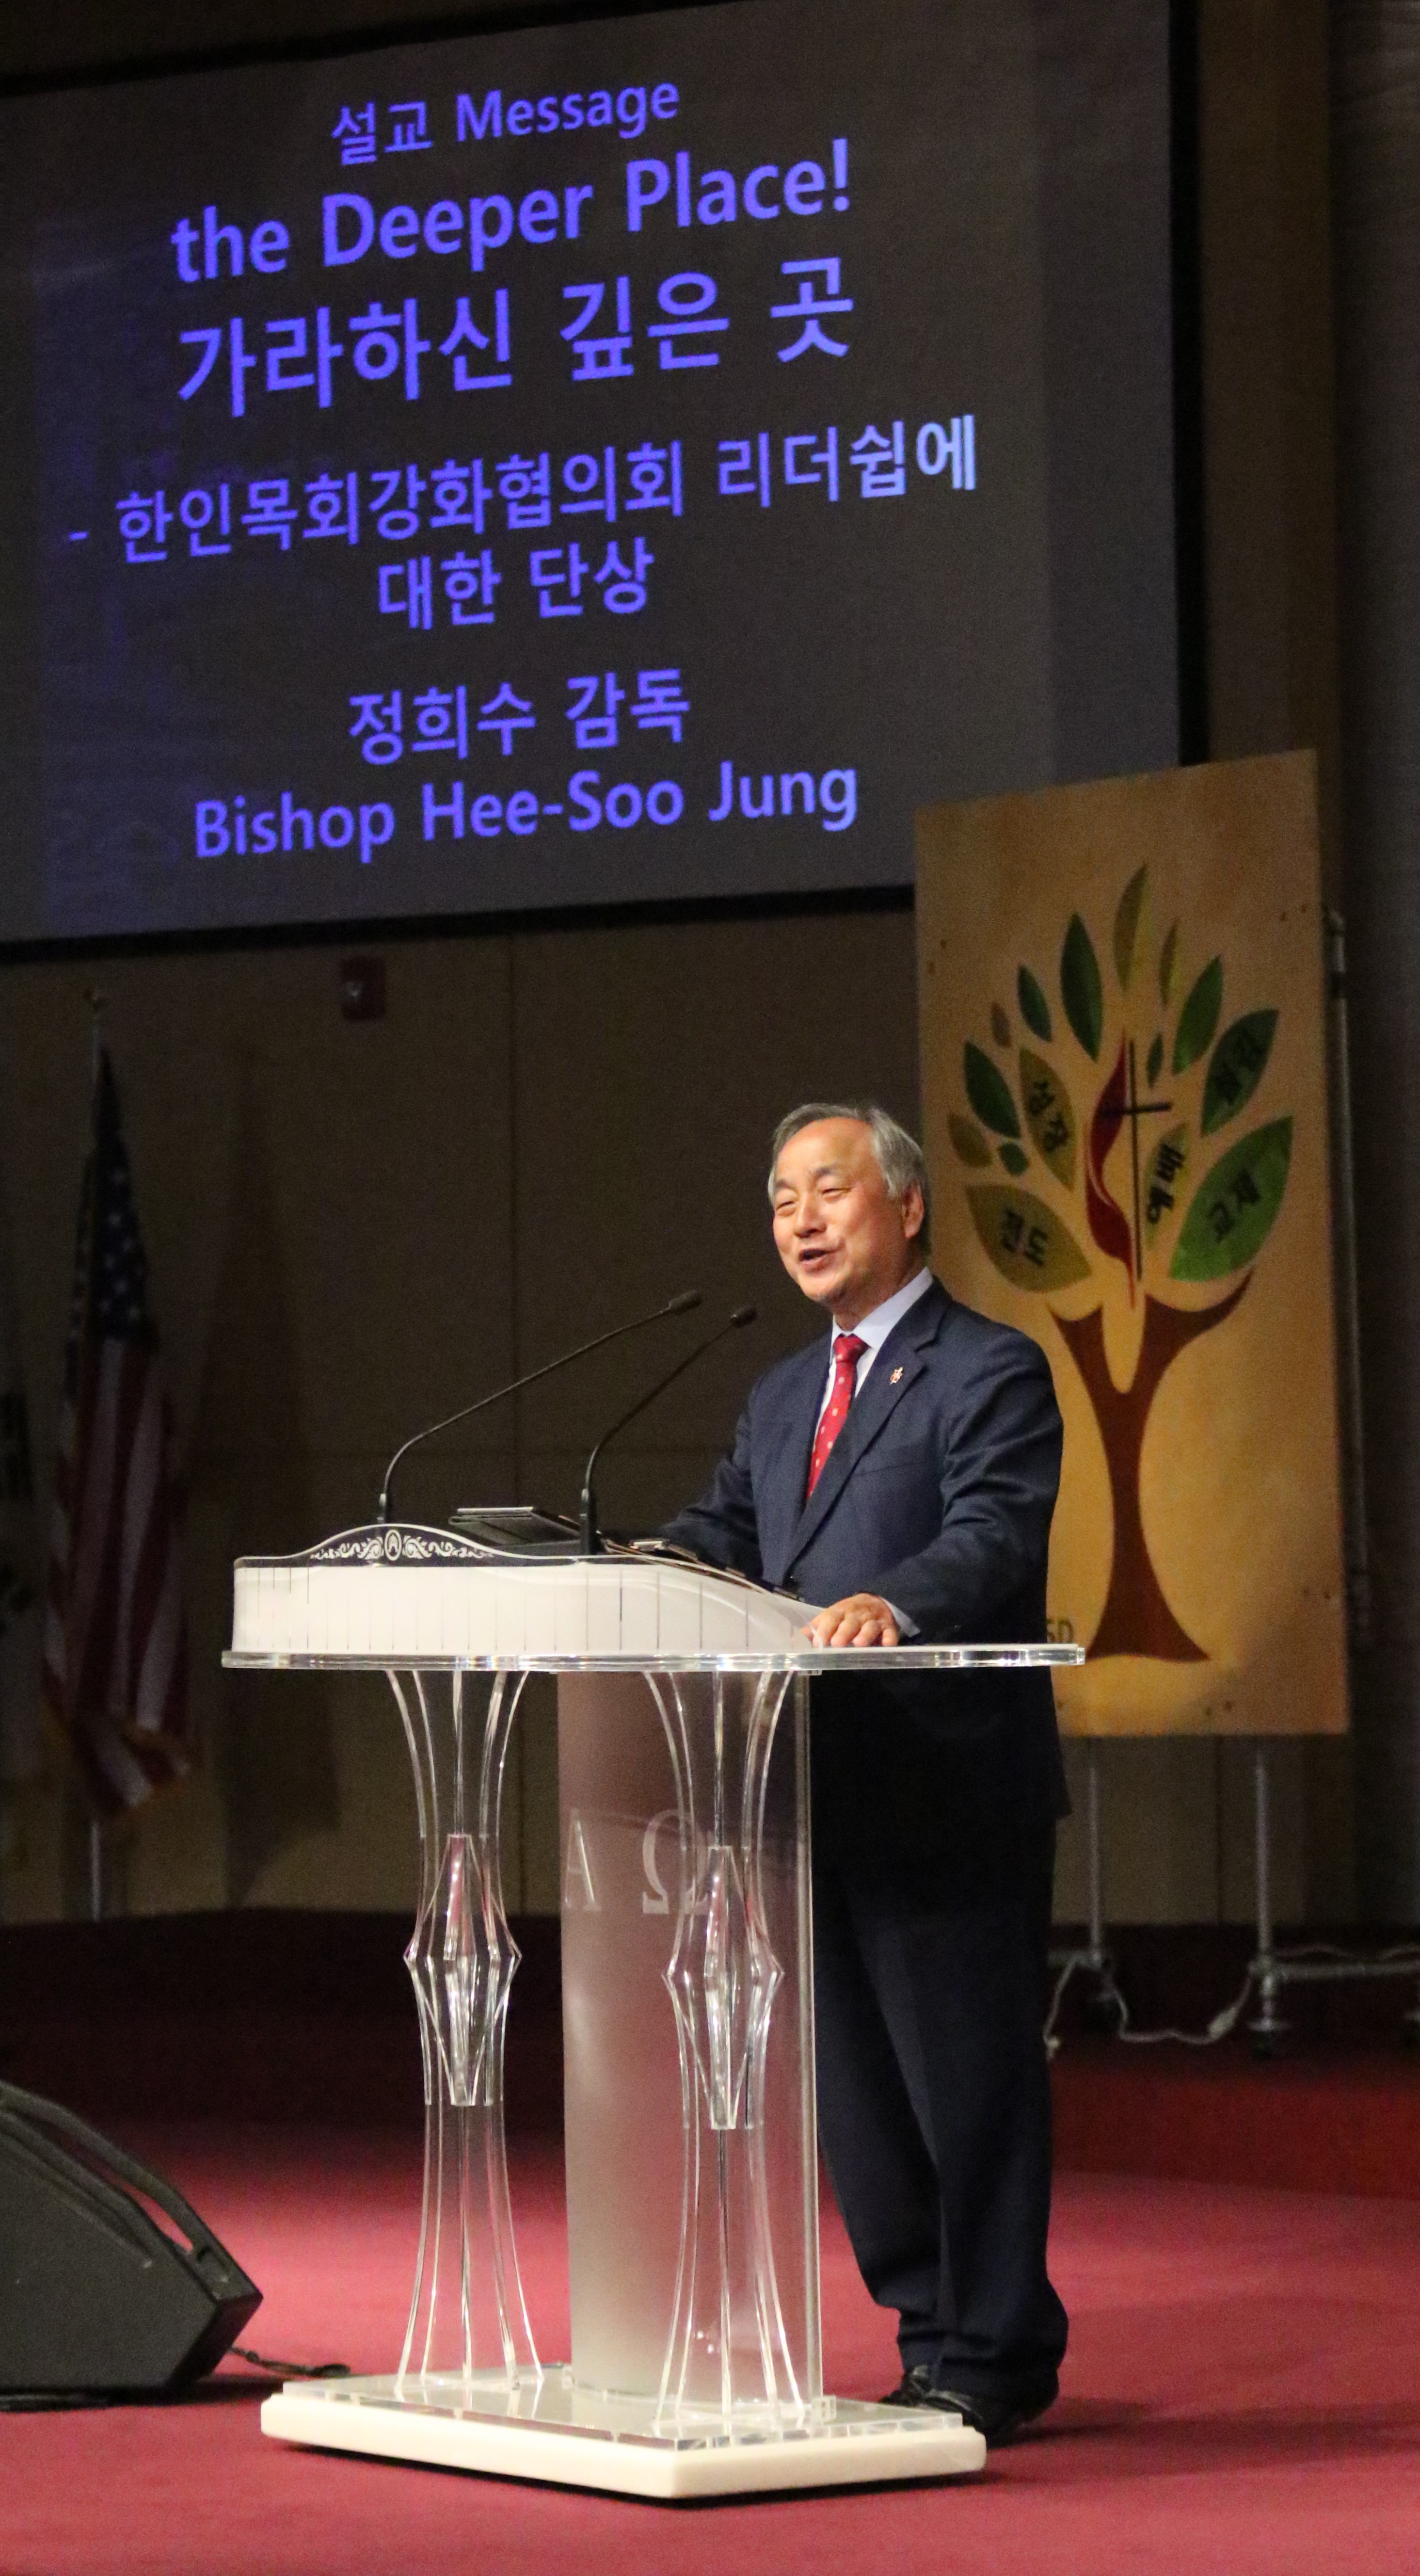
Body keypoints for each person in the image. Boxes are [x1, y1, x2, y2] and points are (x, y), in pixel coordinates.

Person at [664, 1102, 1069, 2442]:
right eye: (779, 1200)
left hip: (945, 1785)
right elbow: (722, 1534)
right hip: (806, 1790)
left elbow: (994, 1534)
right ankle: (926, 2335)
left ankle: (998, 2352)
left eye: (825, 1191)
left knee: (966, 2083)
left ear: (903, 1206)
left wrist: (887, 1606)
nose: (798, 1221)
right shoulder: (782, 1396)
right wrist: (612, 1570)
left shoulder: (987, 1369)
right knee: (859, 2105)